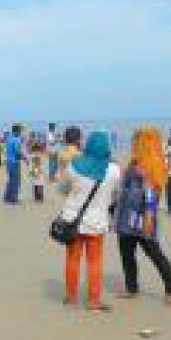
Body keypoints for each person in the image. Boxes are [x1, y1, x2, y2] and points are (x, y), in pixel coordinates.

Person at [58, 131, 121, 312]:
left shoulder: (74, 166)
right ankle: (94, 300)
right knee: (95, 262)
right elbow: (116, 194)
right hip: (97, 221)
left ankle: (71, 297)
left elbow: (63, 189)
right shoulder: (114, 170)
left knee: (72, 259)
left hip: (73, 220)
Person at [114, 127, 171, 305]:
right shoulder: (134, 162)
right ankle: (131, 288)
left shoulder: (153, 163)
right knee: (126, 254)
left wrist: (149, 215)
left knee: (155, 253)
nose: (134, 143)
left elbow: (152, 193)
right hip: (126, 216)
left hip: (143, 217)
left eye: (137, 140)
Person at [3, 124, 24, 203]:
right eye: (20, 130)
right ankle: (13, 199)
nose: (20, 132)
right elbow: (17, 152)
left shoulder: (9, 138)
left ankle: (7, 197)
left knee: (11, 180)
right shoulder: (16, 139)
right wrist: (25, 158)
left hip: (8, 162)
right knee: (16, 181)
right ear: (17, 131)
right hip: (15, 162)